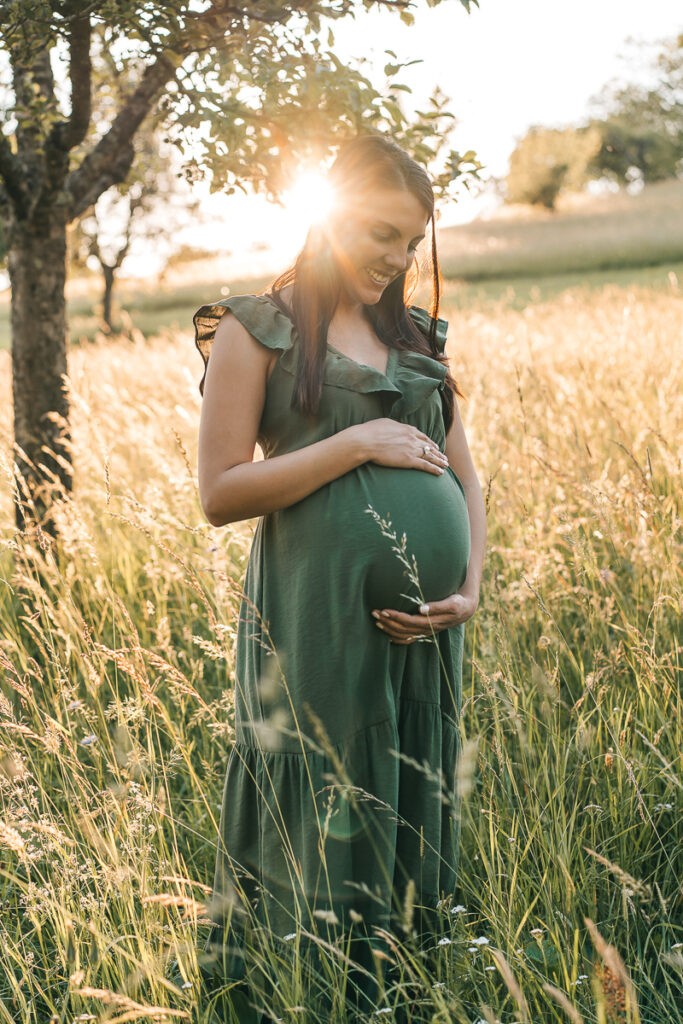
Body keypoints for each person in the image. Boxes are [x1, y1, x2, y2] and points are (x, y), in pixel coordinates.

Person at [191, 132, 486, 1023]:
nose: (395, 258)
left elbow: (466, 477)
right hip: (312, 622)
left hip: (429, 633)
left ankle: (395, 994)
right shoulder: (258, 330)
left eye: (410, 242)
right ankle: (297, 996)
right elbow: (219, 492)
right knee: (318, 798)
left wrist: (467, 588)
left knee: (405, 792)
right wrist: (353, 442)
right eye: (379, 233)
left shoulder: (419, 338)